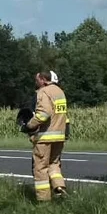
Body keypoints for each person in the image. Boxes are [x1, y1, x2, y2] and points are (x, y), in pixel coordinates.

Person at [23, 70, 69, 201]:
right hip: (59, 136)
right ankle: (59, 188)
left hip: (45, 136)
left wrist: (29, 125)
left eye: (37, 80)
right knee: (54, 165)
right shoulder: (60, 92)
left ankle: (44, 201)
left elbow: (44, 114)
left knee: (40, 168)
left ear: (43, 79)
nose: (36, 83)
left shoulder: (43, 92)